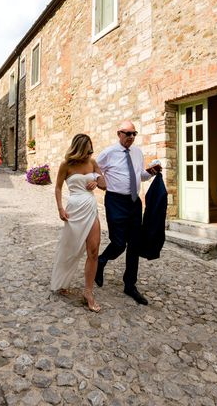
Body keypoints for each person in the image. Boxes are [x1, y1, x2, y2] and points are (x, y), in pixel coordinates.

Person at [94, 120, 161, 305]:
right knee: (118, 242)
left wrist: (152, 172)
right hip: (115, 201)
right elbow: (93, 170)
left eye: (134, 134)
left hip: (134, 202)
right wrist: (98, 181)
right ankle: (101, 260)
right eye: (127, 133)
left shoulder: (138, 153)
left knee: (134, 244)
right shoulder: (108, 153)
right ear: (119, 134)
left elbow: (140, 175)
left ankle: (130, 285)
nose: (131, 137)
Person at [51, 134, 106, 312]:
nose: (90, 152)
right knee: (70, 248)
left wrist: (96, 181)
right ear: (79, 148)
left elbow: (104, 184)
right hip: (73, 211)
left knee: (94, 250)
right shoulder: (66, 165)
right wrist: (60, 209)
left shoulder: (93, 163)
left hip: (90, 209)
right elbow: (58, 187)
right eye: (87, 149)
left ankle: (88, 292)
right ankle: (63, 281)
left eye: (91, 149)